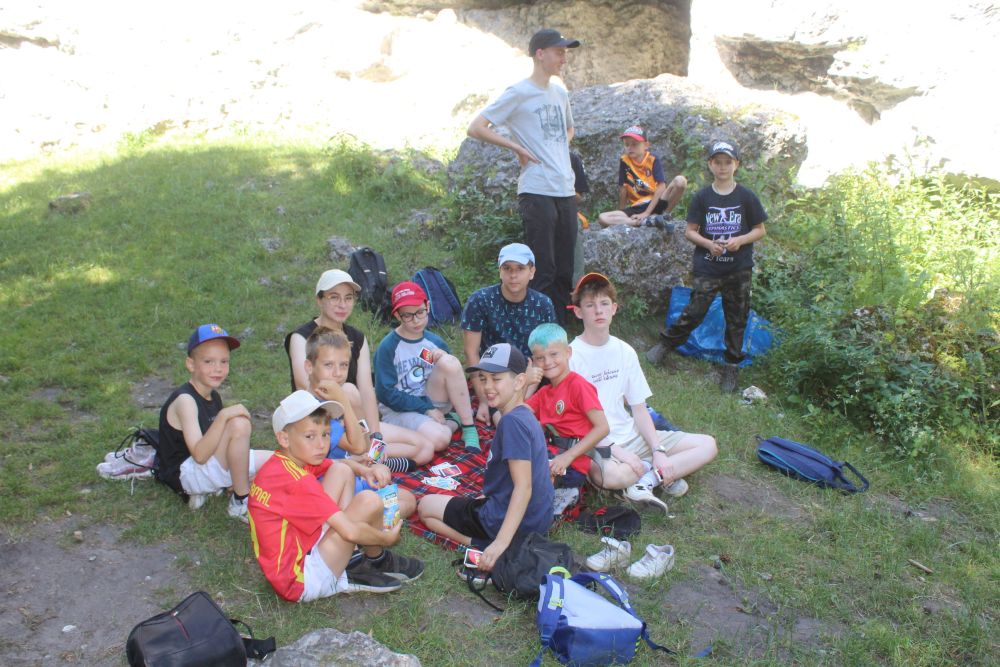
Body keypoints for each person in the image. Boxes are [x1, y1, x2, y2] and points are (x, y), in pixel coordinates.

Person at [248, 390, 424, 602]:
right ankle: (376, 558)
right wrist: (386, 538)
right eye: (310, 436)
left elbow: (337, 463)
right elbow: (350, 531)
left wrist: (365, 470)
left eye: (325, 434)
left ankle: (353, 559)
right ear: (284, 438)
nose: (321, 444)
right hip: (302, 580)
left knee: (341, 471)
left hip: (289, 561)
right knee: (369, 500)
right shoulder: (299, 483)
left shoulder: (282, 463)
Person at [568, 273, 717, 512]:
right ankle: (660, 474)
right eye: (590, 305)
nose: (598, 311)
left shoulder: (625, 351)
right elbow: (577, 421)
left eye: (604, 303)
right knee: (610, 477)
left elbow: (639, 408)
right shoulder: (571, 356)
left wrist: (657, 450)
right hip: (598, 442)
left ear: (614, 309)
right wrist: (620, 452)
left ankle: (646, 480)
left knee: (707, 445)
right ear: (578, 312)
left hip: (632, 435)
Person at [467, 28, 581, 322]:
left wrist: (557, 148)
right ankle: (536, 329)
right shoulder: (519, 92)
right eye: (559, 52)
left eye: (565, 53)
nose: (564, 58)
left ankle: (559, 331)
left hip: (565, 188)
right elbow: (477, 127)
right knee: (543, 268)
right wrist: (516, 146)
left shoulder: (559, 93)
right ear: (539, 54)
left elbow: (569, 129)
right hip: (537, 188)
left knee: (565, 268)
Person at [417, 344, 554, 574]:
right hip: (537, 520)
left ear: (520, 381)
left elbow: (524, 487)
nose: (488, 386)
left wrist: (500, 542)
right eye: (483, 378)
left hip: (508, 522)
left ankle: (484, 546)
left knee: (425, 507)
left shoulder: (511, 423)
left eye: (496, 379)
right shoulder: (525, 414)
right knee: (465, 500)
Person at [646, 140, 768, 393]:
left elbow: (760, 230)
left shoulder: (746, 196)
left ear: (736, 165)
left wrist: (740, 240)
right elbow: (690, 231)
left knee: (737, 318)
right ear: (710, 165)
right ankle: (665, 346)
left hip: (739, 268)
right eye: (717, 162)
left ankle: (731, 367)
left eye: (727, 162)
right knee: (695, 310)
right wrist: (709, 244)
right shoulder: (702, 197)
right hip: (708, 267)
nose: (722, 167)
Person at [285, 268, 434, 466]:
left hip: (356, 419)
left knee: (425, 448)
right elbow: (304, 387)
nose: (342, 305)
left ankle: (368, 461)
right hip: (322, 423)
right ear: (319, 300)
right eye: (334, 297)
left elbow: (366, 390)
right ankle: (361, 459)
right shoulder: (301, 337)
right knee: (348, 390)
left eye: (348, 298)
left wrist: (376, 435)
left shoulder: (357, 337)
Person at [156, 324, 272, 522]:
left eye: (224, 361)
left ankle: (223, 485)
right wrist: (223, 416)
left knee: (279, 461)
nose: (218, 368)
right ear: (191, 364)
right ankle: (240, 501)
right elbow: (200, 455)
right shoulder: (185, 401)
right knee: (239, 424)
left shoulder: (213, 396)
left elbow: (218, 443)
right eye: (208, 361)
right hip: (185, 475)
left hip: (205, 465)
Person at [304, 328, 418, 518]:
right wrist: (344, 401)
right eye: (328, 365)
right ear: (309, 366)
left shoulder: (332, 402)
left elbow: (363, 445)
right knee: (393, 501)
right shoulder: (312, 409)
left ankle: (365, 522)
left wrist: (368, 464)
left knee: (407, 499)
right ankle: (358, 523)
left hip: (352, 472)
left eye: (343, 365)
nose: (337, 373)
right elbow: (357, 446)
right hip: (332, 487)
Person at [374, 281, 480, 452]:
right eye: (407, 315)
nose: (416, 320)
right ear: (397, 316)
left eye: (420, 312)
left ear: (428, 306)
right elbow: (385, 393)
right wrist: (425, 409)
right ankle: (452, 422)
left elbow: (450, 375)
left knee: (450, 361)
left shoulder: (434, 343)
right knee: (439, 440)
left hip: (431, 400)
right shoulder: (388, 347)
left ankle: (469, 427)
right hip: (400, 410)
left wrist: (442, 358)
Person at [462, 242, 556, 426]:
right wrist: (483, 400)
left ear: (532, 272)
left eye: (520, 268)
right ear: (500, 271)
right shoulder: (480, 301)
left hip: (532, 377)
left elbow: (546, 352)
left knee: (526, 422)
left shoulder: (543, 304)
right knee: (508, 423)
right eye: (507, 268)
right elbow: (471, 353)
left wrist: (525, 391)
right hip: (493, 377)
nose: (513, 275)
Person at [524, 323, 609, 490]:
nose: (547, 362)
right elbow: (517, 415)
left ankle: (560, 495)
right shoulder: (544, 392)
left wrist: (568, 457)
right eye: (540, 358)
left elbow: (603, 428)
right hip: (548, 454)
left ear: (568, 352)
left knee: (527, 482)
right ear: (534, 362)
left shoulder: (578, 386)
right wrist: (526, 383)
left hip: (570, 464)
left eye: (553, 354)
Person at [597, 125, 687, 228]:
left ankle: (664, 216)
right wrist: (622, 212)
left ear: (646, 145)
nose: (630, 147)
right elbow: (623, 189)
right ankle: (644, 222)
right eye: (626, 144)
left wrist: (647, 213)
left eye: (634, 144)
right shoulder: (624, 161)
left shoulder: (653, 159)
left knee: (680, 180)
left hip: (656, 202)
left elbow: (661, 187)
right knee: (602, 217)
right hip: (637, 207)